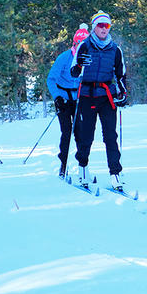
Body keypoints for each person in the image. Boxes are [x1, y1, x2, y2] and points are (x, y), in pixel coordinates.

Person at [70, 11, 128, 190]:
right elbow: (74, 72)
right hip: (87, 95)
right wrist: (79, 63)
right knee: (86, 135)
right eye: (100, 25)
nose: (104, 29)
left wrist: (123, 93)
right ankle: (83, 168)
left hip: (106, 96)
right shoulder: (84, 46)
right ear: (94, 27)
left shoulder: (115, 49)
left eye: (107, 26)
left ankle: (115, 173)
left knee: (111, 136)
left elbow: (121, 74)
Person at [47, 23, 90, 178]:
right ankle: (63, 164)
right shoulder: (64, 58)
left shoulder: (88, 59)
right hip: (64, 99)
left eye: (85, 44)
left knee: (81, 133)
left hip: (79, 99)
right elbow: (51, 79)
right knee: (66, 131)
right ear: (74, 43)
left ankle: (83, 166)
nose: (82, 47)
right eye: (79, 44)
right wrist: (57, 97)